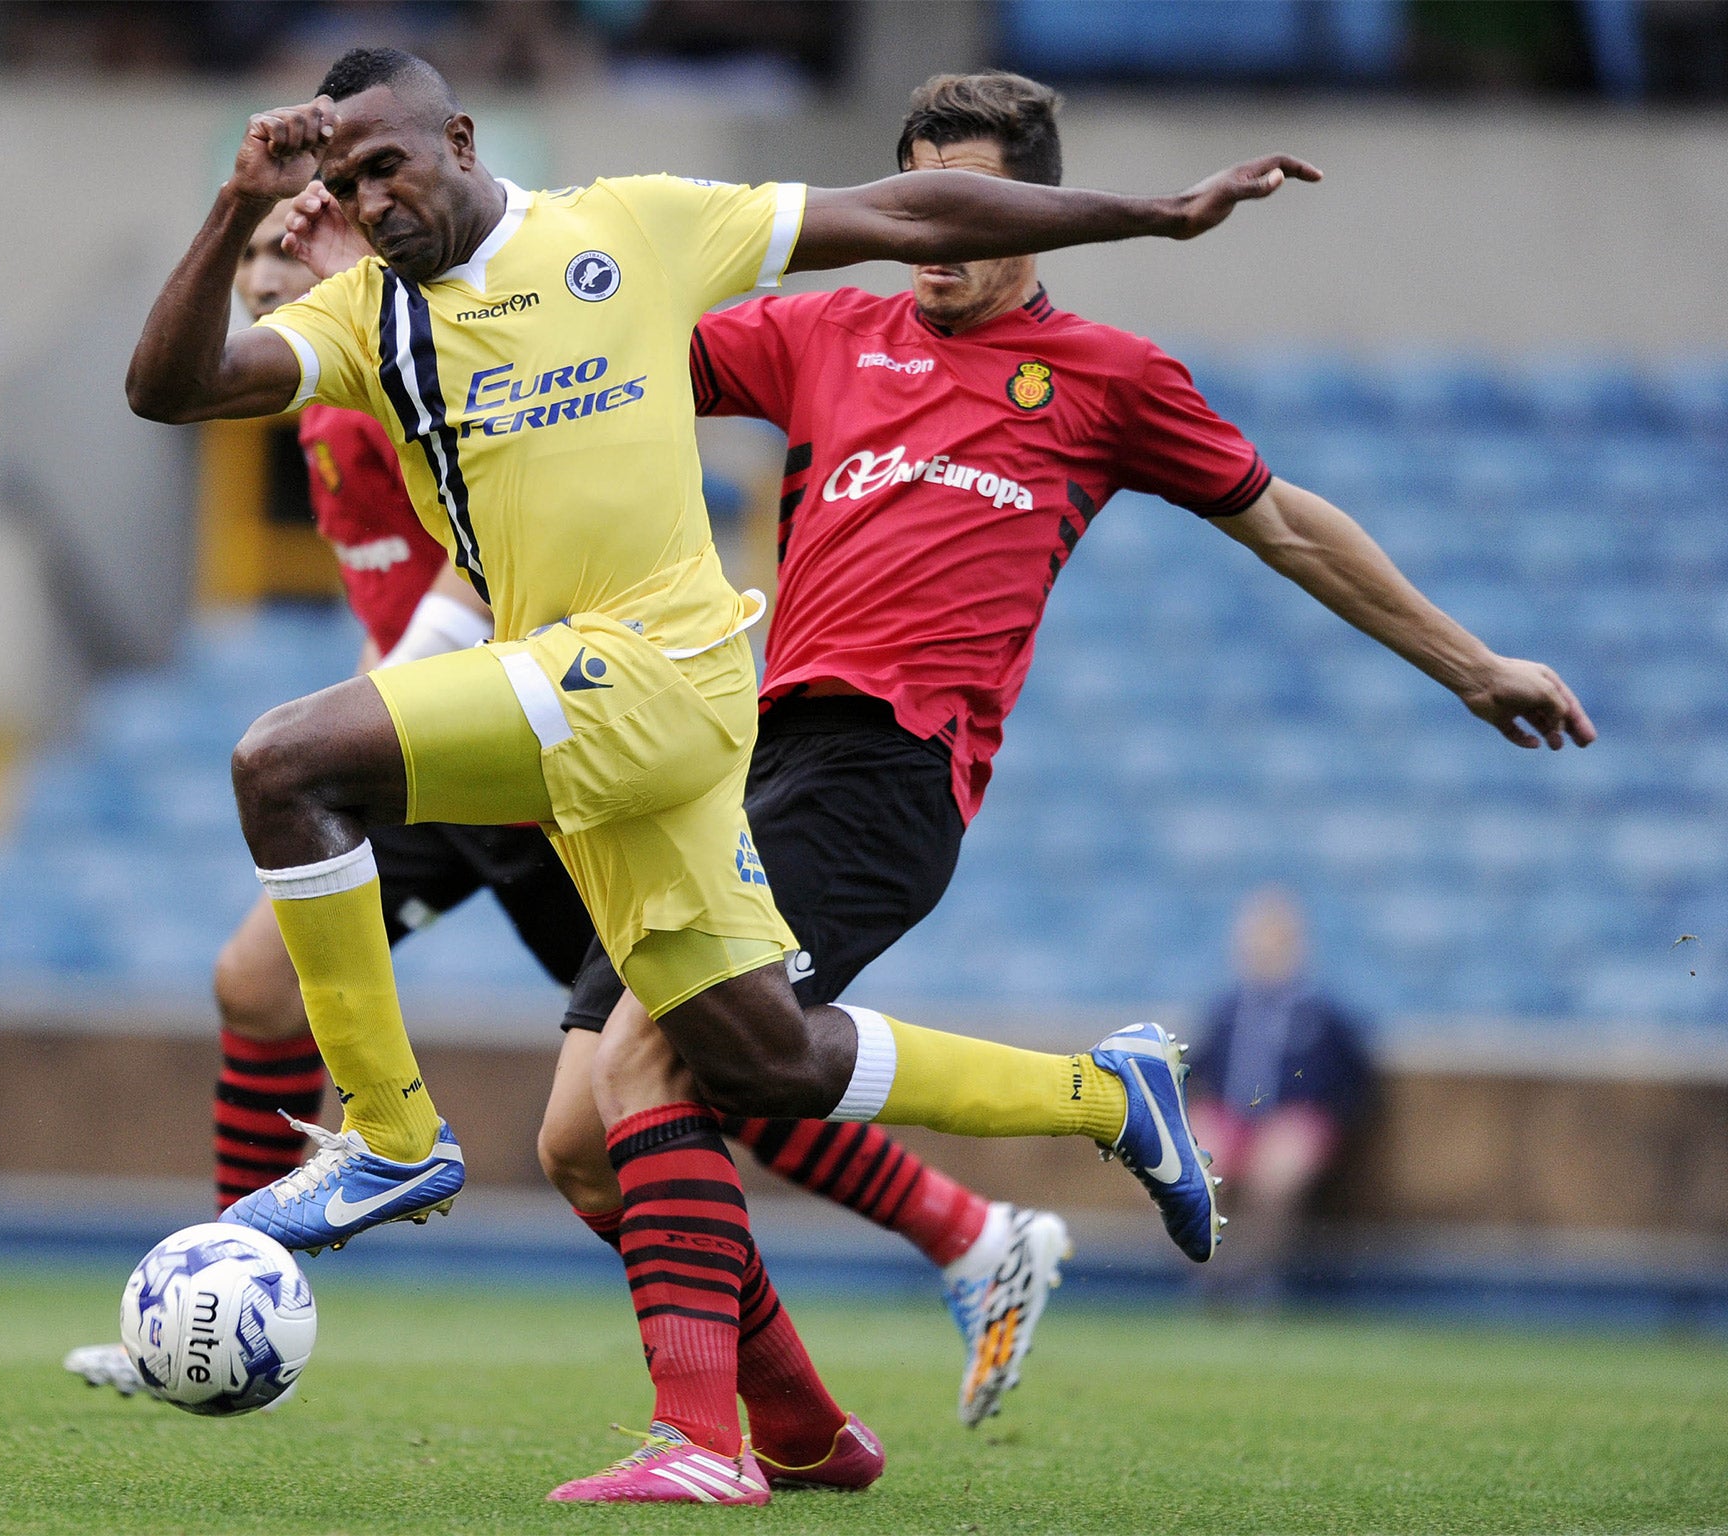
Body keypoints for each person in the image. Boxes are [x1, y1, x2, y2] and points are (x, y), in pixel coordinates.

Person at [126, 43, 1334, 1501]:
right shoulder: (368, 315)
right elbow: (171, 389)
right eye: (342, 181)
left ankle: (389, 1138)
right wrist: (226, 210)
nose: (369, 200)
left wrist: (1152, 216)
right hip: (609, 742)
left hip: (663, 678)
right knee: (757, 1059)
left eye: (389, 166)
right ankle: (1083, 1118)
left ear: (457, 137)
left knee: (282, 764)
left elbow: (907, 217)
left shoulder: (627, 225)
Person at [523, 66, 1595, 1492]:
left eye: (971, 206)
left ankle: (697, 1443)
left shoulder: (1109, 378)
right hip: (733, 759)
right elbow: (613, 365)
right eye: (917, 206)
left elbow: (1290, 529)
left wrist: (1471, 662)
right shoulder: (819, 331)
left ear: (1041, 211)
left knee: (665, 1058)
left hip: (884, 770)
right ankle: (801, 1431)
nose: (938, 238)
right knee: (580, 1138)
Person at [79, 190, 1062, 1430]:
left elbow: (485, 549)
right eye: (259, 249)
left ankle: (243, 1266)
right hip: (472, 743)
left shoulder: (403, 350)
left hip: (530, 733)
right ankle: (224, 1284)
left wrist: (386, 713)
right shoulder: (316, 400)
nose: (270, 270)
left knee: (663, 1066)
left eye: (291, 242)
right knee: (662, 1061)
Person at [1188, 889, 1375, 1302]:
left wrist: (1314, 1123)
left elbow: (1352, 1087)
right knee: (1187, 1162)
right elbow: (1198, 1075)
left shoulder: (1323, 1015)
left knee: (1279, 1168)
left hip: (1291, 1121)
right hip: (1231, 1118)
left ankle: (1253, 1275)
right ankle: (1209, 1275)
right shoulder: (1226, 1010)